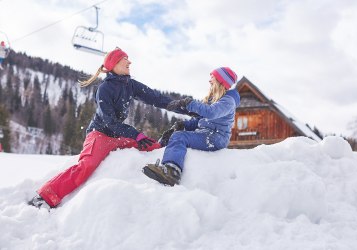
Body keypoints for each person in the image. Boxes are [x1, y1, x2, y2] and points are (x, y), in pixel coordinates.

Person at [28, 47, 182, 209]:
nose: (130, 62)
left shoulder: (130, 84)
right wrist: (135, 134)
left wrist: (182, 106)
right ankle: (44, 196)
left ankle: (163, 140)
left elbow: (155, 98)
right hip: (99, 135)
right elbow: (110, 121)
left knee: (152, 146)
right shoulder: (104, 89)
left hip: (118, 136)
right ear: (114, 63)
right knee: (86, 167)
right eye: (125, 59)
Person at [143, 67, 240, 186]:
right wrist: (184, 125)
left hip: (216, 137)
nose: (209, 81)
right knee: (177, 135)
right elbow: (201, 121)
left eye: (212, 78)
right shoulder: (215, 100)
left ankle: (172, 172)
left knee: (180, 137)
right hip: (207, 133)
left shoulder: (228, 101)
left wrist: (190, 103)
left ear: (221, 81)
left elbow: (211, 113)